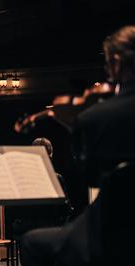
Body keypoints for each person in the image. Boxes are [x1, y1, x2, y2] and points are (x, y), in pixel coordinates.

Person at [20, 25, 135, 266]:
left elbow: (92, 178)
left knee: (33, 242)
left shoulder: (97, 117)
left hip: (113, 232)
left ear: (116, 62)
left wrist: (76, 128)